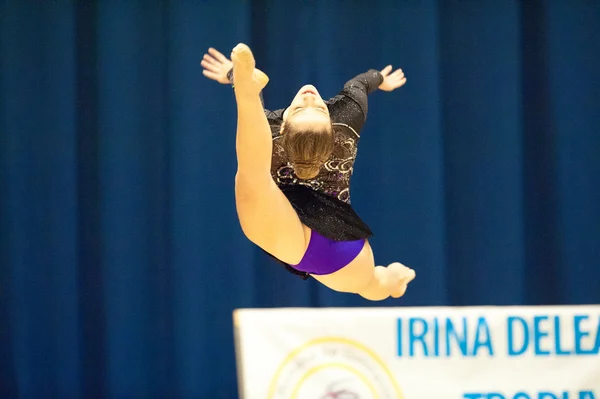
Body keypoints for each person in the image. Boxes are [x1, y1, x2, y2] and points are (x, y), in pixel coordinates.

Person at [201, 44, 415, 301]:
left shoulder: (269, 127)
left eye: (304, 108)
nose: (311, 98)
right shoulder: (347, 118)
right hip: (339, 251)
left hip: (334, 246)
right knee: (373, 283)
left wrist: (234, 75)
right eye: (317, 108)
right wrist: (380, 79)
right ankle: (395, 279)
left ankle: (394, 280)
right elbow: (360, 84)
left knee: (254, 175)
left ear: (282, 126)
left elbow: (256, 116)